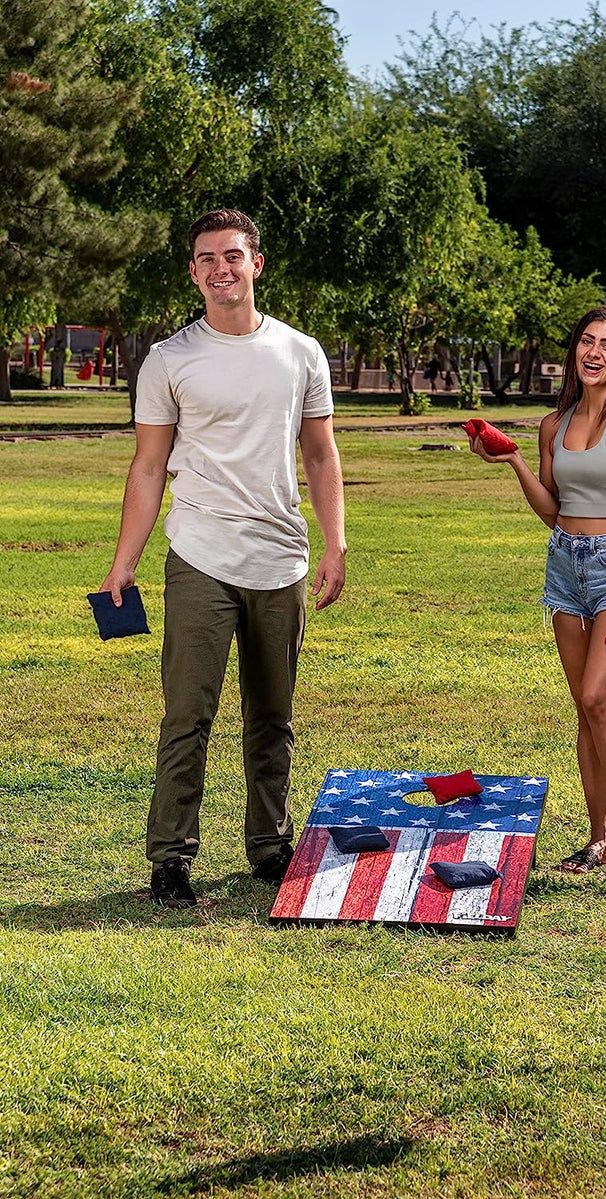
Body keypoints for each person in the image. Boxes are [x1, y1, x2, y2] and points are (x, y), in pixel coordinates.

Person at [99, 209, 346, 909]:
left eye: (232, 256)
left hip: (282, 559)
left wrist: (335, 541)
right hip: (200, 554)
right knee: (188, 713)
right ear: (194, 272)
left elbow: (321, 453)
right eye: (206, 259)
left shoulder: (302, 352)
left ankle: (270, 844)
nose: (220, 269)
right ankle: (171, 857)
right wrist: (124, 562)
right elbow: (148, 468)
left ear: (256, 264)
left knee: (274, 713)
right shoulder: (170, 359)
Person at [467, 305, 606, 885]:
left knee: (601, 696)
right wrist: (514, 461)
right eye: (587, 341)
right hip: (566, 568)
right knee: (583, 704)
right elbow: (553, 512)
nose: (594, 353)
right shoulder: (556, 423)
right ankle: (598, 837)